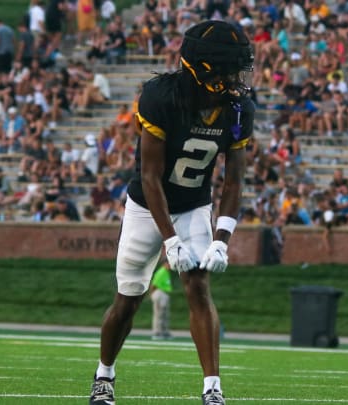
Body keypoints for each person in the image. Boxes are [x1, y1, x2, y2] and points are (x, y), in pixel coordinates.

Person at [89, 21, 254, 405]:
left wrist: (222, 240)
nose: (237, 78)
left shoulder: (238, 109)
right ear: (203, 69)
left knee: (198, 285)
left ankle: (212, 388)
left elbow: (233, 183)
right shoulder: (161, 96)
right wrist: (170, 239)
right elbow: (149, 176)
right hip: (148, 207)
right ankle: (104, 375)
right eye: (229, 69)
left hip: (195, 203)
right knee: (129, 297)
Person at [150, 262, 174, 340]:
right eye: (169, 264)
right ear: (165, 263)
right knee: (159, 314)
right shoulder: (161, 272)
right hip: (159, 293)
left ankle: (164, 332)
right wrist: (152, 294)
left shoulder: (166, 272)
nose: (171, 266)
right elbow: (154, 284)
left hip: (164, 294)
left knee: (165, 314)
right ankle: (157, 332)